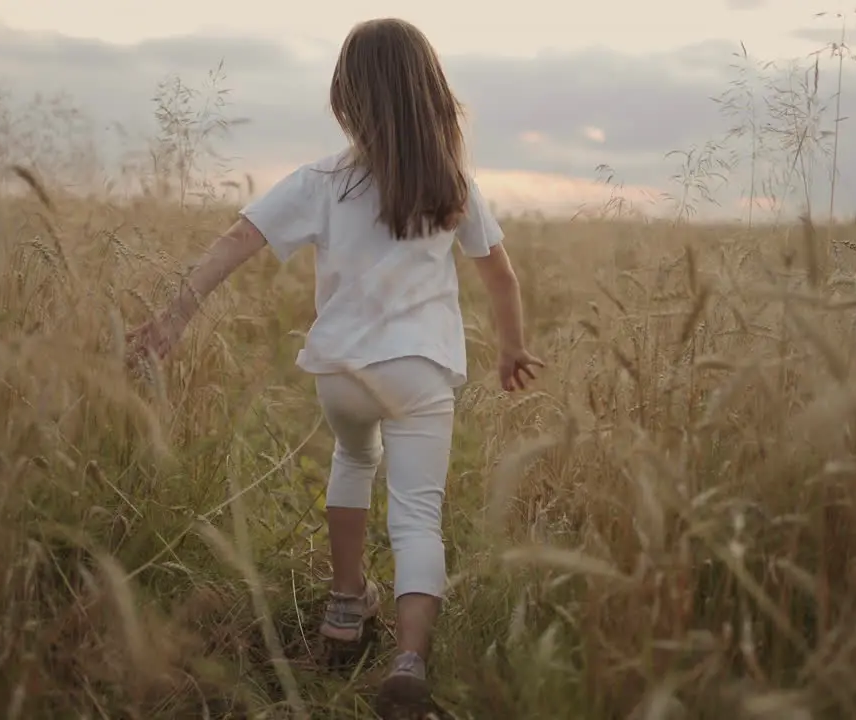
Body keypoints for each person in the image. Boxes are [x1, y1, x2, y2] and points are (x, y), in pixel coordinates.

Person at [126, 16, 543, 718]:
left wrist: (174, 318)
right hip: (420, 371)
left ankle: (345, 609)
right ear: (432, 95)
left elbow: (238, 238)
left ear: (346, 97)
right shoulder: (452, 184)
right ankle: (409, 657)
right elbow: (501, 276)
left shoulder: (321, 181)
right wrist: (511, 347)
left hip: (342, 374)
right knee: (417, 517)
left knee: (353, 461)